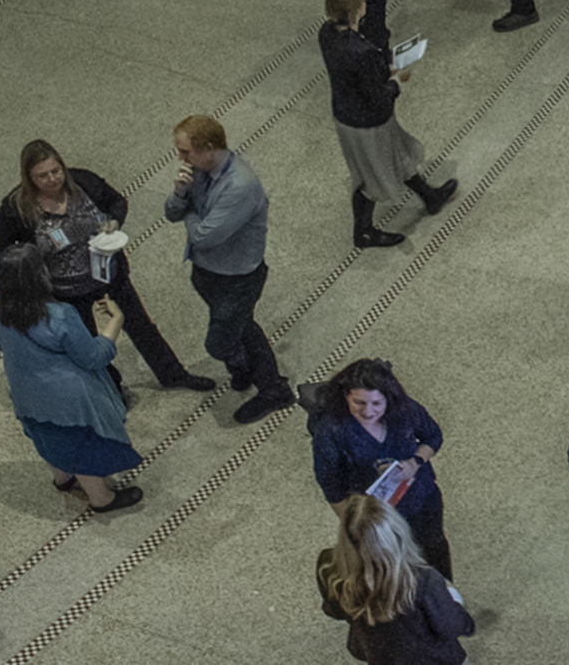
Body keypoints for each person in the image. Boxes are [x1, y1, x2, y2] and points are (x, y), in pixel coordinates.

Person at [0, 143, 208, 391]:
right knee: (88, 344)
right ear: (29, 179)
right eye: (42, 176)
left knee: (141, 327)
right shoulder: (15, 210)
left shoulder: (84, 183)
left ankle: (174, 376)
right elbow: (6, 253)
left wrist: (114, 221)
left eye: (56, 171)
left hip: (109, 276)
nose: (52, 179)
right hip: (67, 292)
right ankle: (112, 389)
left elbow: (117, 201)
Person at [0, 243, 144, 514]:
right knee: (82, 446)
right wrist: (116, 320)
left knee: (47, 436)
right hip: (69, 399)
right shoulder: (59, 315)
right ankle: (101, 499)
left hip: (26, 389)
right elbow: (93, 357)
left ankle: (63, 479)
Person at [164, 113, 292, 423]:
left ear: (208, 147)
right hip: (209, 273)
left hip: (237, 279)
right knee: (243, 327)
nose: (179, 158)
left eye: (185, 151)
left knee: (221, 342)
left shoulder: (240, 186)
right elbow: (170, 213)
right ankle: (250, 372)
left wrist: (191, 212)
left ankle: (272, 388)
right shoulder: (198, 171)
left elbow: (204, 237)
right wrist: (181, 194)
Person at [321, 0, 452, 248]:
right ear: (359, 10)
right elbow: (379, 95)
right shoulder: (361, 52)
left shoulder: (326, 34)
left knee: (397, 155)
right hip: (368, 122)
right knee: (369, 175)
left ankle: (429, 196)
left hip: (345, 115)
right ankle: (364, 231)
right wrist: (395, 81)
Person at [309, 357, 452, 578]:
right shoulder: (332, 432)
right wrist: (357, 527)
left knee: (434, 547)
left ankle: (447, 596)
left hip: (422, 499)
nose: (367, 412)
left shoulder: (405, 410)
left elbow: (432, 436)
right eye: (359, 403)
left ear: (389, 398)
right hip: (379, 517)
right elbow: (331, 486)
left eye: (377, 403)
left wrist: (415, 462)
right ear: (345, 395)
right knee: (395, 565)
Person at [317, 493, 471, 665]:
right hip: (433, 657)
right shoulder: (422, 579)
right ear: (397, 534)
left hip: (378, 655)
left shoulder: (327, 565)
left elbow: (334, 611)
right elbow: (452, 626)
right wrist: (453, 595)